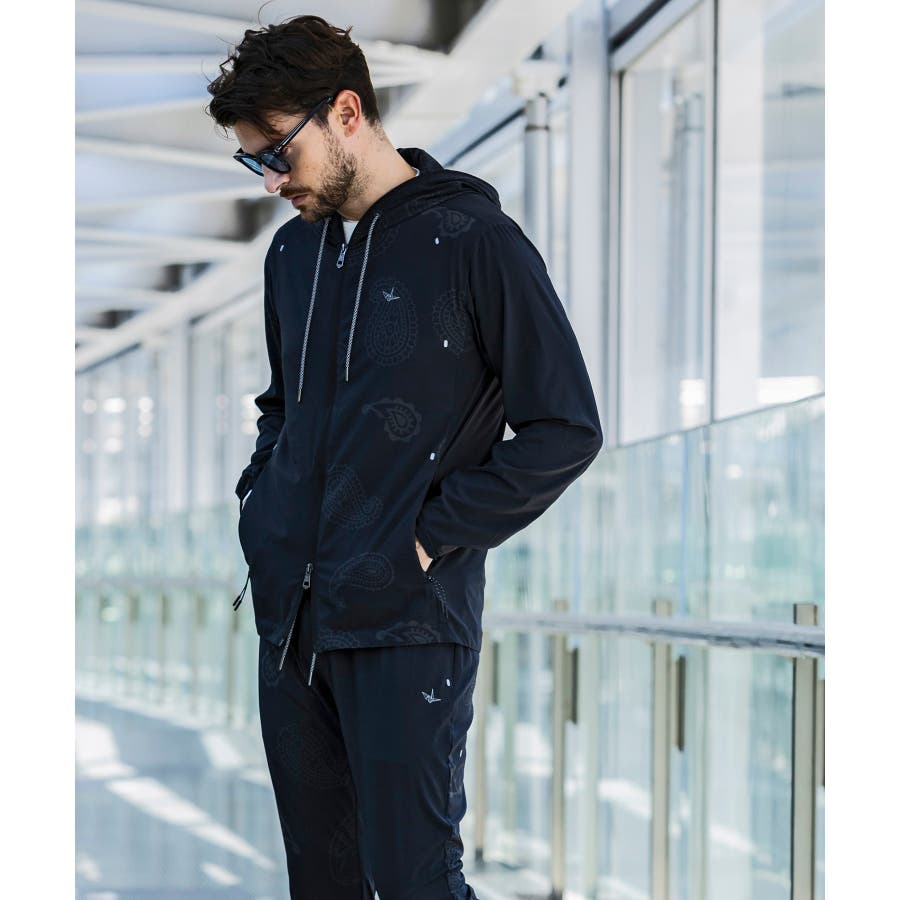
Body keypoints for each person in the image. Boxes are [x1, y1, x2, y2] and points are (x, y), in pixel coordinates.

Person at [206, 13, 603, 899]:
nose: (271, 181)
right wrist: (263, 508)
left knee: (416, 881)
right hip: (291, 624)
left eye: (278, 152)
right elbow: (281, 408)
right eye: (253, 162)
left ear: (347, 112)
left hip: (408, 623)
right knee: (324, 882)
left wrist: (425, 538)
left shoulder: (474, 242)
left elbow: (566, 427)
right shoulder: (293, 254)